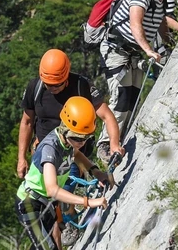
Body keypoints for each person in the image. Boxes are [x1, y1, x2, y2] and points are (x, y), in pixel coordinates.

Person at [97, 0, 178, 160]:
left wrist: (169, 44)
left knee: (133, 99)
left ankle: (118, 141)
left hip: (133, 54)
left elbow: (161, 23)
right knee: (121, 97)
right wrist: (148, 49)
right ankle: (105, 146)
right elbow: (135, 22)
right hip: (117, 51)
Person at [15, 97, 109, 250]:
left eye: (85, 138)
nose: (80, 142)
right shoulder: (50, 148)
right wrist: (87, 202)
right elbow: (52, 189)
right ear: (65, 129)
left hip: (43, 202)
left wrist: (96, 172)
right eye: (76, 138)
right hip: (29, 203)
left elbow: (76, 154)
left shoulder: (66, 141)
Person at [16, 48, 123, 180]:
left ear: (66, 77)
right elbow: (27, 122)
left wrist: (114, 144)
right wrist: (21, 158)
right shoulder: (35, 87)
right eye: (48, 85)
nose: (53, 89)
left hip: (75, 154)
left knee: (67, 190)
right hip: (44, 152)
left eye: (57, 85)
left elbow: (106, 115)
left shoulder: (81, 86)